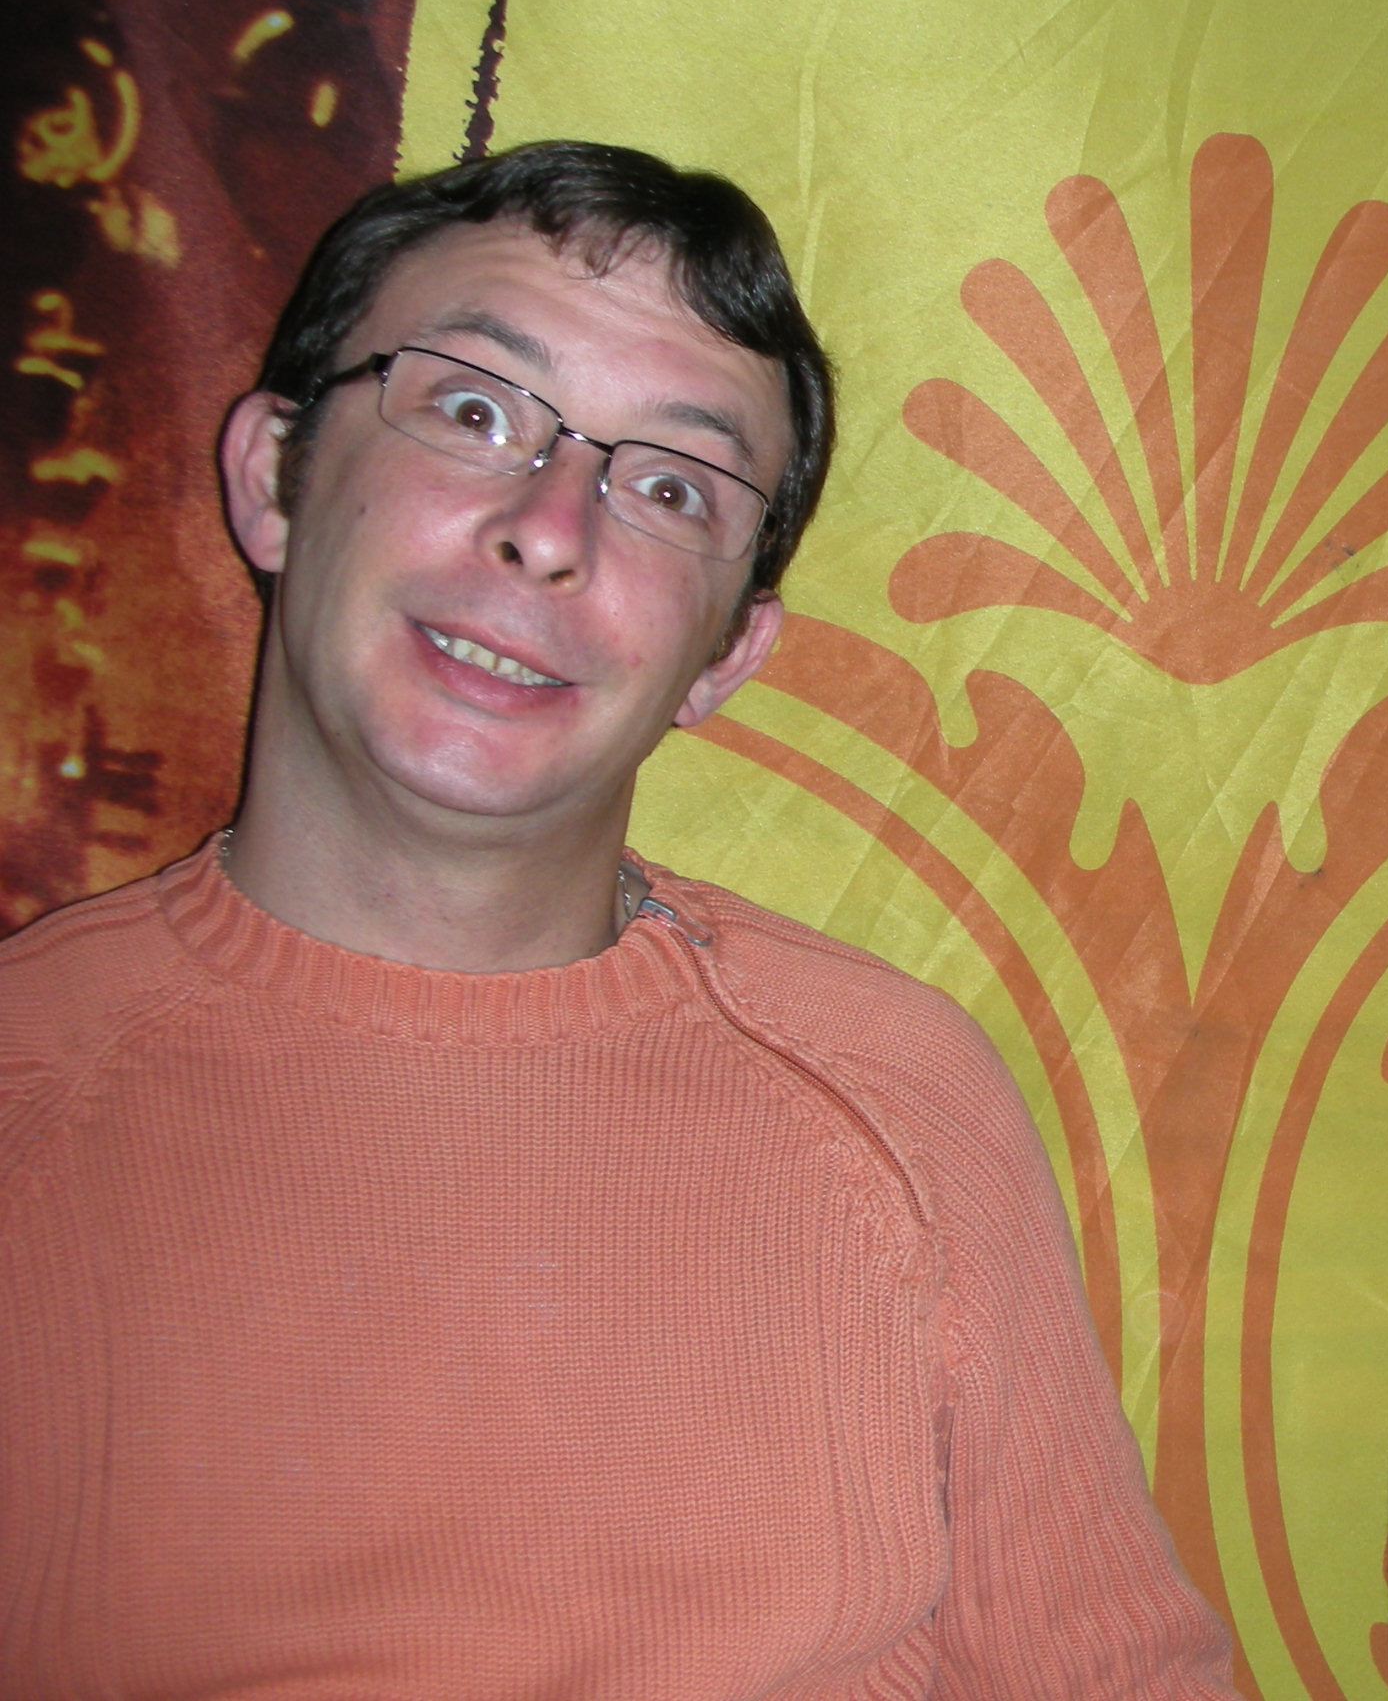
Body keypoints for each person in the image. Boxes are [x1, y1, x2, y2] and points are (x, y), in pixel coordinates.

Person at [0, 140, 1235, 1696]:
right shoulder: (32, 1090)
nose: (551, 528)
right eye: (472, 411)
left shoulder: (899, 1093)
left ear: (727, 657)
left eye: (669, 488)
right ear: (273, 476)